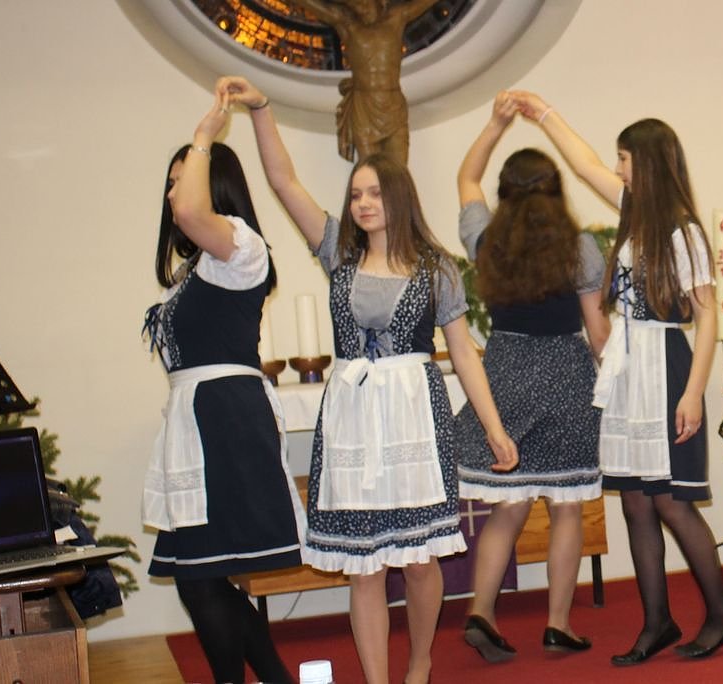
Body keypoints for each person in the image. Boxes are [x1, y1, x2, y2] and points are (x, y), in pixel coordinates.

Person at [218, 75, 518, 684]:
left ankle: (420, 663)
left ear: (399, 198)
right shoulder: (338, 252)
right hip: (353, 419)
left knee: (421, 561)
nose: (362, 203)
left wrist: (494, 428)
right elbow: (283, 181)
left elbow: (463, 355)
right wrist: (262, 109)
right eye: (356, 194)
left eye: (375, 193)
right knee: (365, 566)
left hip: (414, 418)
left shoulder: (437, 268)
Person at [512, 90, 723, 666]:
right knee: (636, 503)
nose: (616, 168)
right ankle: (657, 621)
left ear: (648, 162)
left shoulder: (683, 231)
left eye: (625, 158)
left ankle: (722, 613)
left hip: (664, 362)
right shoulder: (634, 214)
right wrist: (544, 114)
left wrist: (694, 392)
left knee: (670, 502)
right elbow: (583, 163)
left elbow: (706, 314)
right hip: (627, 364)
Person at [141, 93, 304, 684]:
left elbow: (190, 213)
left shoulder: (242, 248)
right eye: (170, 184)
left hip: (225, 422)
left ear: (216, 186)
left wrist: (205, 134)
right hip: (201, 422)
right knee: (201, 574)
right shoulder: (196, 271)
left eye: (182, 180)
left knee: (200, 575)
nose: (173, 195)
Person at [452, 92, 610, 663]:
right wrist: (619, 384)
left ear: (504, 195)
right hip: (567, 377)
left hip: (506, 374)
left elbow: (466, 176)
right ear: (556, 192)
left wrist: (495, 123)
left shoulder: (485, 239)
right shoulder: (581, 249)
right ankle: (558, 624)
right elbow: (598, 334)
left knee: (509, 507)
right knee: (567, 506)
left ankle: (481, 611)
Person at [291, 0, 439, 165]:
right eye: (354, 4)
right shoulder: (347, 25)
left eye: (363, 2)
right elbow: (316, 7)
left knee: (399, 171)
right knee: (369, 169)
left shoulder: (396, 18)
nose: (359, 6)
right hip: (364, 107)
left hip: (393, 105)